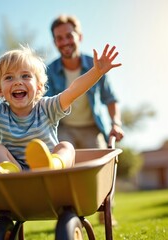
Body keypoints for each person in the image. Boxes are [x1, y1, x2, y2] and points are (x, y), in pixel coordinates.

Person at [0, 44, 121, 173]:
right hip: (18, 174)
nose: (17, 82)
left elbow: (74, 90)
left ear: (40, 88)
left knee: (66, 147)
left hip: (52, 172)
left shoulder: (47, 107)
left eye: (25, 76)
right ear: (0, 90)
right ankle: (9, 172)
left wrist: (96, 71)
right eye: (9, 78)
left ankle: (53, 164)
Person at [46, 14, 124, 149]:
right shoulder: (49, 72)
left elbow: (110, 99)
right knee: (63, 158)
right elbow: (44, 106)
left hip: (92, 129)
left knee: (99, 161)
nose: (65, 42)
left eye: (69, 36)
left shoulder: (96, 66)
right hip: (64, 129)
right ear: (55, 42)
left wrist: (116, 124)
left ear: (80, 37)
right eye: (59, 38)